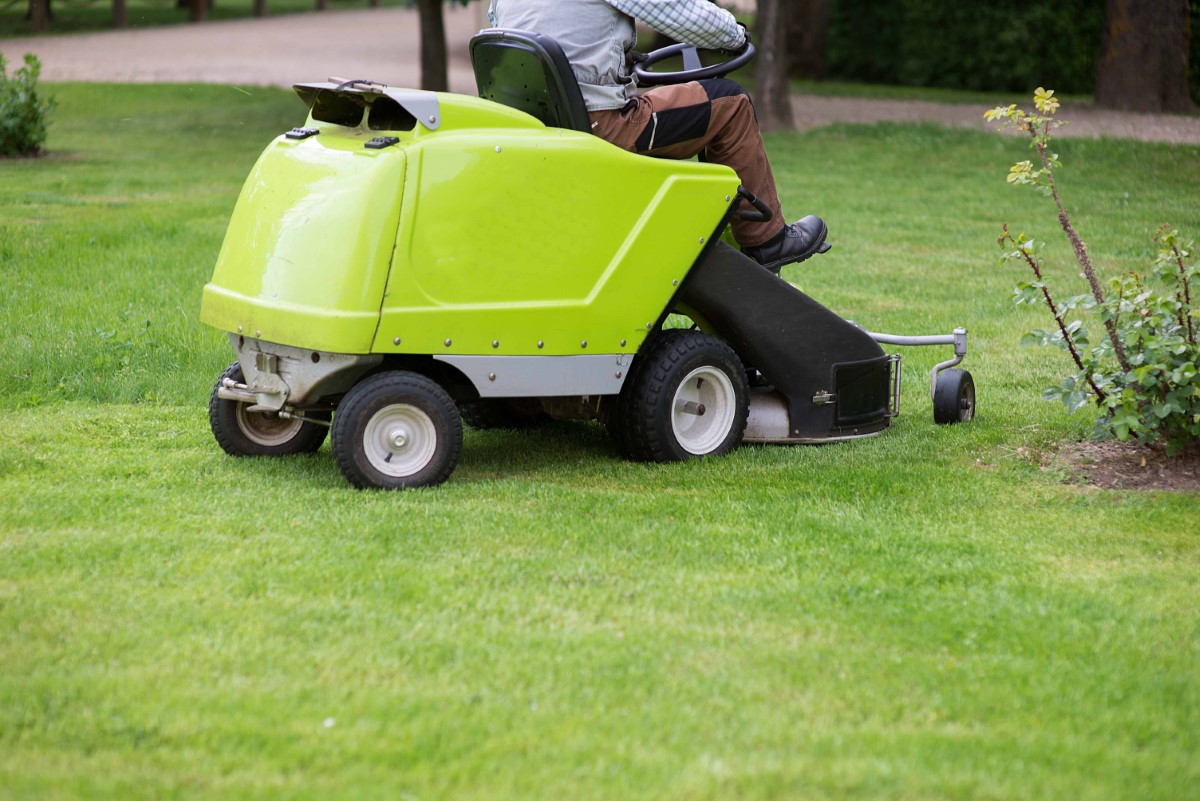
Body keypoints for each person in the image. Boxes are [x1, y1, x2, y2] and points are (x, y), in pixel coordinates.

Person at [486, 0, 830, 273]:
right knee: (731, 103)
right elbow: (674, 9)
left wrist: (614, 56)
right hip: (601, 127)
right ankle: (768, 242)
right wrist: (734, 35)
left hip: (539, 127)